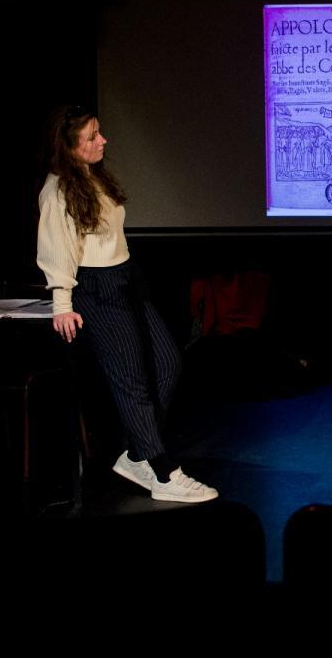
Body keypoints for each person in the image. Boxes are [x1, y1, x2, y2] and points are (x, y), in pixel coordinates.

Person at [37, 105, 218, 503]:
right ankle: (163, 473)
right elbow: (57, 249)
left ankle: (137, 454)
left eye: (99, 132)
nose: (103, 140)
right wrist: (61, 303)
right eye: (92, 137)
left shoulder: (92, 178)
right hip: (95, 289)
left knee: (169, 363)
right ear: (69, 148)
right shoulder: (57, 190)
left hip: (125, 279)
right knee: (131, 382)